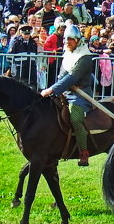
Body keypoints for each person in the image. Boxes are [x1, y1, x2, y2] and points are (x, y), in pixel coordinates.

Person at [41, 23, 98, 166]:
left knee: (75, 118)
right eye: (66, 40)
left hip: (80, 95)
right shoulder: (67, 54)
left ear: (78, 40)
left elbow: (72, 77)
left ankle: (83, 152)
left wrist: (52, 89)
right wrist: (57, 89)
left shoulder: (84, 57)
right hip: (65, 92)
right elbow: (62, 76)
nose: (67, 42)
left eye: (71, 39)